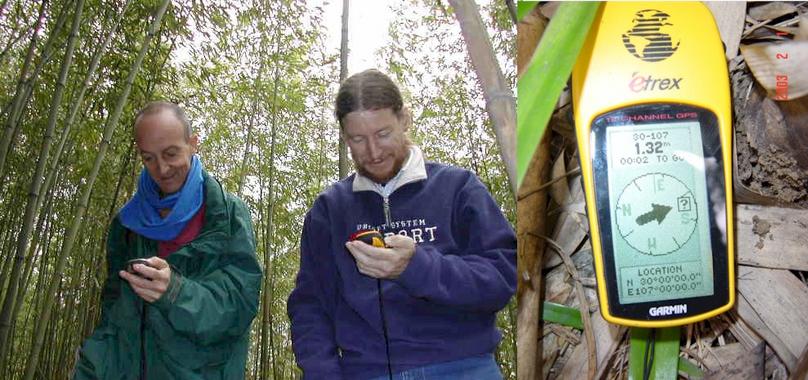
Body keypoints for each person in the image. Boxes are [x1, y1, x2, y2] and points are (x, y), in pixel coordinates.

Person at [287, 69, 516, 379]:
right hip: (367, 371)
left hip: (464, 365)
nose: (373, 151)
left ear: (404, 119)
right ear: (344, 137)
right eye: (358, 139)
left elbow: (502, 277)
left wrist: (416, 267)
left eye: (383, 134)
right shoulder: (330, 209)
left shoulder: (458, 188)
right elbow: (310, 306)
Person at [74, 101, 262, 379]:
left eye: (171, 153)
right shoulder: (127, 224)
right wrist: (90, 365)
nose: (161, 169)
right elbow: (114, 317)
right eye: (149, 158)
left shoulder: (227, 214)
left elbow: (238, 306)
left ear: (193, 143)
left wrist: (174, 291)